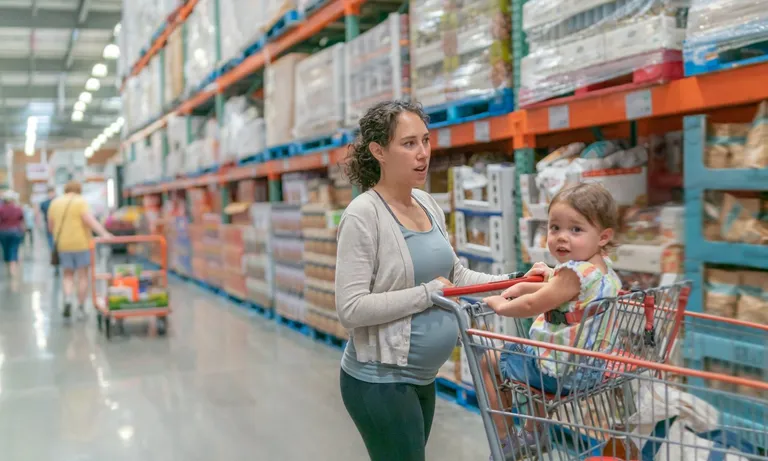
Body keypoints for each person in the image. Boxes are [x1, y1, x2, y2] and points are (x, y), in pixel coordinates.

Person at [335, 100, 513, 461]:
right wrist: (426, 294)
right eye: (409, 144)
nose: (422, 154)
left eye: (426, 141)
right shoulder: (362, 215)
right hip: (379, 380)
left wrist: (513, 281)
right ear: (378, 151)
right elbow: (351, 309)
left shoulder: (427, 203)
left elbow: (455, 275)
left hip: (422, 377)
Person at [481, 182, 622, 459]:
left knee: (489, 361)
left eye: (576, 229)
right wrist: (534, 282)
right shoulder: (602, 270)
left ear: (603, 236)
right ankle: (534, 433)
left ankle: (507, 440)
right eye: (554, 227)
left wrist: (500, 305)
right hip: (591, 368)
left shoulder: (572, 273)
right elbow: (564, 295)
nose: (561, 237)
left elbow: (535, 304)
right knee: (541, 356)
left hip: (563, 372)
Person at [48, 180, 112, 318]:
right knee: (83, 276)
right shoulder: (80, 202)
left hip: (63, 245)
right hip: (81, 243)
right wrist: (104, 234)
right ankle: (81, 307)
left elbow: (50, 227)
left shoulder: (55, 203)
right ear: (79, 189)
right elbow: (89, 220)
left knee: (67, 275)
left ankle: (68, 299)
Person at [0, 190, 26, 279]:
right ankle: (12, 267)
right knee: (14, 249)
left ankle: (9, 265)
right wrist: (23, 232)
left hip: (3, 232)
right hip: (15, 232)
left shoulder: (1, 209)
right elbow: (22, 221)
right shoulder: (18, 209)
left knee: (5, 250)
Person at [38, 186, 56, 252]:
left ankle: (55, 250)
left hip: (56, 222)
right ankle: (53, 251)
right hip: (48, 222)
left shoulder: (58, 201)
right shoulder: (44, 203)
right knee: (50, 237)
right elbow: (41, 212)